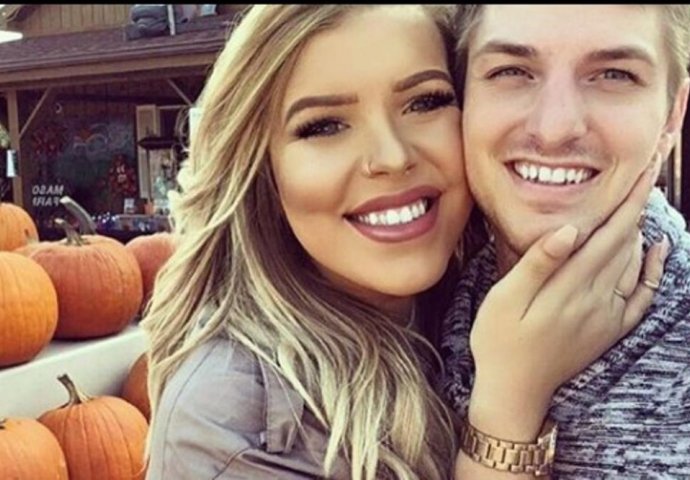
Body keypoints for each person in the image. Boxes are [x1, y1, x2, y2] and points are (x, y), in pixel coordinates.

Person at [141, 5, 666, 479]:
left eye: (425, 102)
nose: (391, 157)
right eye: (324, 126)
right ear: (261, 169)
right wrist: (510, 405)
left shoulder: (470, 298)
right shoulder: (228, 425)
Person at [442, 4, 690, 478]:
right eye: (511, 71)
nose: (554, 129)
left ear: (672, 115)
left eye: (614, 75)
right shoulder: (412, 308)